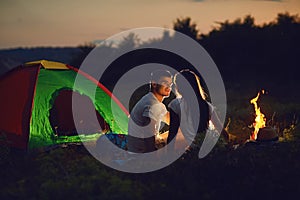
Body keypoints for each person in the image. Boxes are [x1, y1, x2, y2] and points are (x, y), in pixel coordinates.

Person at [167, 69, 229, 152]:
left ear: (180, 87)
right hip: (211, 147)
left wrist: (168, 157)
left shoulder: (176, 105)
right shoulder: (207, 105)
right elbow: (223, 132)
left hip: (197, 150)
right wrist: (227, 147)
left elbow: (172, 134)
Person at [127, 70, 173, 153]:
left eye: (170, 84)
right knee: (181, 137)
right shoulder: (153, 104)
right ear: (154, 84)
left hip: (136, 149)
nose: (169, 87)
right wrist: (152, 159)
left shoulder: (151, 99)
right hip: (141, 153)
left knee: (179, 132)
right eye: (165, 83)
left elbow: (173, 122)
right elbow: (148, 135)